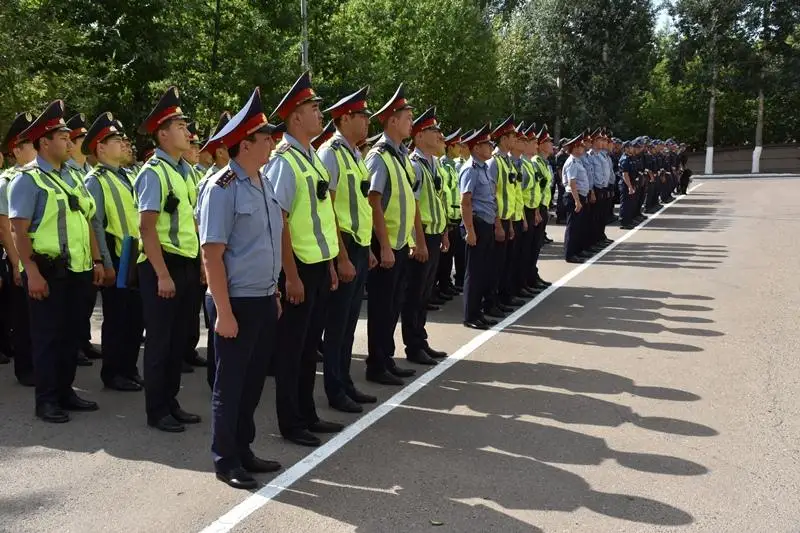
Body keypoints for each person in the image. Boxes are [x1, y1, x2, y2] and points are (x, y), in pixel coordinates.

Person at [198, 87, 283, 489]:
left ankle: (244, 448)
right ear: (245, 143)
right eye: (265, 137)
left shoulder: (263, 182)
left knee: (252, 384)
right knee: (230, 385)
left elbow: (267, 243)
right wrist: (225, 312)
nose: (272, 142)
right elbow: (212, 254)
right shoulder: (222, 187)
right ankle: (225, 458)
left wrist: (275, 292)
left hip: (262, 298)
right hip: (234, 302)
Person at [8, 100, 105, 423]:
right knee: (48, 338)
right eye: (62, 137)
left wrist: (96, 260)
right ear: (44, 142)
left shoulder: (74, 176)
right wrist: (31, 272)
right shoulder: (28, 179)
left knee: (70, 336)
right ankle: (47, 400)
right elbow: (18, 230)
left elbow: (87, 220)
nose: (69, 142)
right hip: (47, 271)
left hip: (78, 270)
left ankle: (65, 392)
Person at [266, 71, 342, 447]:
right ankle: (291, 422)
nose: (320, 114)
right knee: (292, 351)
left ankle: (307, 413)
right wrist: (291, 276)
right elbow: (279, 220)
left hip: (317, 266)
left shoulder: (310, 158)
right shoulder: (284, 161)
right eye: (314, 109)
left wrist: (329, 265)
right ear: (296, 117)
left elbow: (320, 218)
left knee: (310, 347)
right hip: (297, 270)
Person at [134, 86, 202, 432]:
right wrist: (162, 274)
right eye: (180, 127)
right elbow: (147, 228)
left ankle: (171, 401)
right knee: (160, 342)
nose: (188, 133)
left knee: (178, 341)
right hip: (162, 265)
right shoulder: (153, 172)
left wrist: (201, 263)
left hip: (186, 263)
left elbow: (192, 221)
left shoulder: (185, 171)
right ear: (162, 134)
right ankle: (156, 409)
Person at [317, 86, 379, 413]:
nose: (367, 121)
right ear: (344, 119)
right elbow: (328, 208)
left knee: (350, 322)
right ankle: (335, 388)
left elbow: (360, 207)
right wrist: (341, 256)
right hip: (344, 247)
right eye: (361, 116)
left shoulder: (355, 154)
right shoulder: (331, 152)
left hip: (359, 246)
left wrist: (367, 248)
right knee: (337, 324)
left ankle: (345, 382)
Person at [364, 83, 422, 386]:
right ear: (392, 121)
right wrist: (384, 246)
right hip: (384, 242)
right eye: (407, 117)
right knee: (381, 307)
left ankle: (386, 359)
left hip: (398, 243)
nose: (411, 122)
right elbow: (373, 201)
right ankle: (376, 364)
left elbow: (407, 200)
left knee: (393, 305)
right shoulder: (379, 155)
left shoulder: (400, 155)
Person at [83, 112, 145, 392]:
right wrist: (104, 262)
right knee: (117, 318)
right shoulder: (95, 180)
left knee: (135, 318)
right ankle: (113, 372)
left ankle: (129, 368)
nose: (122, 144)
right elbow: (95, 224)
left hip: (134, 255)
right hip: (116, 255)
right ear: (100, 147)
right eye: (115, 140)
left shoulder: (128, 176)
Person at [402, 107, 449, 365]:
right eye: (433, 130)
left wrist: (444, 234)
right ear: (419, 136)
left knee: (425, 293)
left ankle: (421, 340)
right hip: (421, 237)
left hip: (433, 234)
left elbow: (438, 201)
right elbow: (414, 207)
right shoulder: (415, 165)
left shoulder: (434, 163)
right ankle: (413, 345)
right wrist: (418, 241)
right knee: (415, 294)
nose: (439, 135)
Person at [64, 113, 104, 366]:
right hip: (69, 254)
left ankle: (83, 340)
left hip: (87, 252)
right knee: (72, 307)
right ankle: (75, 344)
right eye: (80, 139)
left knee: (86, 301)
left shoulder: (86, 172)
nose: (84, 143)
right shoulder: (67, 171)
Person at [0, 112, 35, 380]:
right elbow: (6, 228)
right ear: (16, 149)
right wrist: (16, 263)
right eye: (31, 145)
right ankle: (25, 369)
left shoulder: (39, 177)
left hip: (39, 257)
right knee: (23, 318)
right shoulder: (8, 181)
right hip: (20, 258)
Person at [459, 126, 499, 330]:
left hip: (487, 223)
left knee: (483, 271)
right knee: (474, 273)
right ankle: (470, 315)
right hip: (476, 223)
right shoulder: (470, 169)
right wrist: (470, 230)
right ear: (476, 148)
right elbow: (465, 202)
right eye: (487, 144)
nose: (491, 147)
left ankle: (478, 312)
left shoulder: (484, 168)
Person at [485, 116, 521, 319]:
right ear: (504, 138)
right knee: (494, 265)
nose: (515, 140)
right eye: (512, 136)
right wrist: (498, 224)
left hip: (507, 219)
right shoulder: (494, 162)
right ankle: (490, 302)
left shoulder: (507, 161)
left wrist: (511, 223)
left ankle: (501, 298)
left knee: (504, 263)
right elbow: (492, 195)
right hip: (497, 220)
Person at [434, 128, 464, 299]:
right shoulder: (443, 165)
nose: (461, 148)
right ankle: (439, 287)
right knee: (442, 257)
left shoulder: (451, 166)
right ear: (451, 147)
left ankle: (445, 284)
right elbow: (443, 194)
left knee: (449, 255)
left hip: (454, 215)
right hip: (446, 216)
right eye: (458, 145)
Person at [561, 133, 591, 264]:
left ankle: (577, 251)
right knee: (573, 227)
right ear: (574, 148)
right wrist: (577, 201)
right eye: (580, 146)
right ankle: (570, 254)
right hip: (574, 196)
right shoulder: (572, 162)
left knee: (579, 227)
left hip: (579, 195)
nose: (583, 149)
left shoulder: (578, 161)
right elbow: (572, 182)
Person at [199, 112, 232, 182]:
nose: (238, 149)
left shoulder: (229, 175)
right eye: (232, 147)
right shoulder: (211, 181)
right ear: (220, 153)